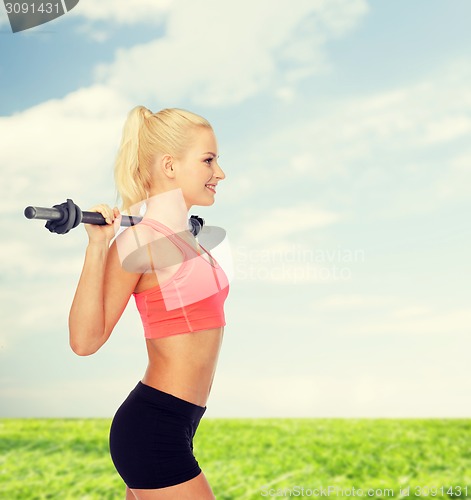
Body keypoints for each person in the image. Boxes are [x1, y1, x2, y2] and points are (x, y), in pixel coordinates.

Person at [68, 106, 229, 499]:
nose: (220, 173)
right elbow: (85, 341)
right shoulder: (138, 242)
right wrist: (97, 245)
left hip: (181, 423)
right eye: (208, 160)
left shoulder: (185, 239)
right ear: (170, 166)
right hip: (153, 428)